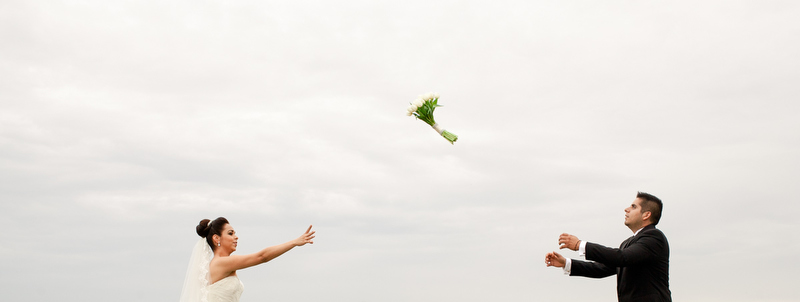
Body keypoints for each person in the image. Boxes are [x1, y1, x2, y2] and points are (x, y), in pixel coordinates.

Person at [544, 192, 671, 302]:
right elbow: (602, 268)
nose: (626, 209)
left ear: (646, 215)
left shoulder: (654, 238)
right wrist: (566, 263)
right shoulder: (628, 243)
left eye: (633, 207)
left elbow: (622, 257)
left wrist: (579, 245)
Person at [180, 217, 316, 302]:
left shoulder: (222, 263)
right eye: (230, 233)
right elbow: (262, 257)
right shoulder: (221, 263)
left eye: (235, 233)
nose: (236, 237)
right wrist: (294, 243)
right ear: (216, 238)